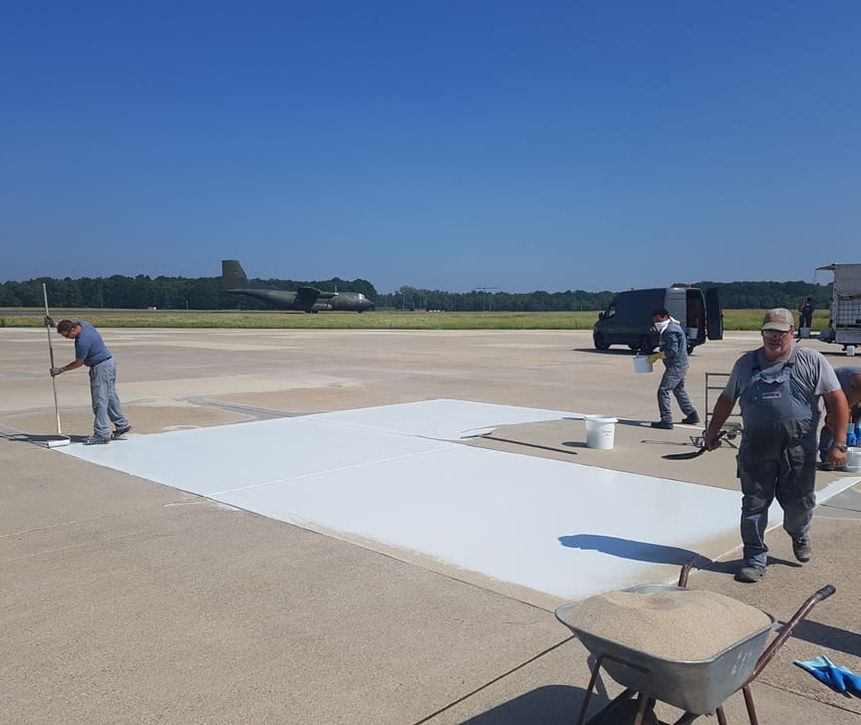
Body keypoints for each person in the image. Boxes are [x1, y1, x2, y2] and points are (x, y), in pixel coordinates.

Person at [703, 308, 848, 583]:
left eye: (781, 332)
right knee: (754, 504)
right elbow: (726, 399)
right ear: (762, 333)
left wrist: (838, 444)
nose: (775, 338)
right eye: (769, 332)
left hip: (798, 448)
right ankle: (755, 557)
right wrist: (712, 432)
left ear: (793, 333)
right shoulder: (745, 364)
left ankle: (799, 532)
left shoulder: (812, 361)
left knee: (799, 503)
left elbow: (838, 401)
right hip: (756, 448)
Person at [46, 317, 132, 445]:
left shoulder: (82, 342)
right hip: (109, 363)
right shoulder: (84, 324)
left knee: (100, 401)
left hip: (101, 368)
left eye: (68, 335)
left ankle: (101, 434)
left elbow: (79, 363)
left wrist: (61, 370)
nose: (68, 338)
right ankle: (121, 424)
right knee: (110, 397)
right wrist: (54, 324)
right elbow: (67, 325)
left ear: (74, 330)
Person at [647, 308, 699, 430]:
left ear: (664, 316)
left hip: (676, 365)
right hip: (679, 364)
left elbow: (672, 351)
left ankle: (666, 419)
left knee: (663, 390)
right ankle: (691, 414)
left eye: (657, 319)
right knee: (678, 389)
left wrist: (657, 356)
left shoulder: (670, 331)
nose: (655, 322)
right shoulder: (671, 327)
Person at [818, 366, 861, 462]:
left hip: (852, 391)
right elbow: (846, 407)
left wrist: (856, 426)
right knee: (833, 421)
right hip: (834, 385)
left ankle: (849, 455)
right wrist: (849, 428)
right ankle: (827, 457)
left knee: (854, 421)